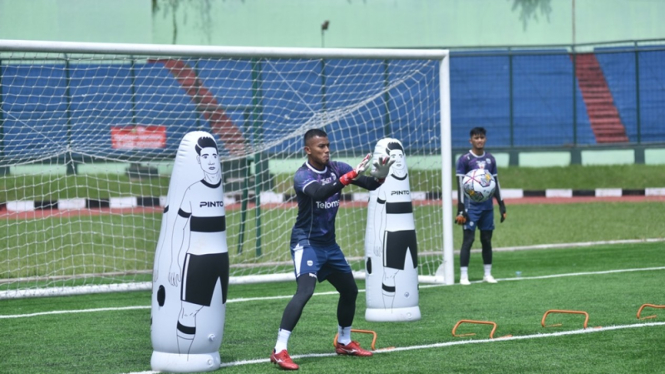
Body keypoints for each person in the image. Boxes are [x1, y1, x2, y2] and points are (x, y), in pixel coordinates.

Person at [270, 128, 393, 370]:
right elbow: (319, 193)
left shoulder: (338, 167)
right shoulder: (302, 176)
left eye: (327, 145)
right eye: (320, 147)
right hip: (306, 243)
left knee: (349, 291)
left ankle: (344, 341)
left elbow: (369, 184)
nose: (326, 150)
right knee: (305, 291)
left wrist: (380, 175)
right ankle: (279, 349)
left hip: (329, 246)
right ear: (308, 150)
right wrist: (349, 177)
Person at [455, 127, 506, 285]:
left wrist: (501, 205)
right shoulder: (465, 159)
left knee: (486, 240)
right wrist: (461, 208)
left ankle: (487, 274)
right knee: (468, 240)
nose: (479, 140)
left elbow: (495, 183)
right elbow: (460, 185)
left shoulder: (490, 159)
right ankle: (464, 276)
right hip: (471, 208)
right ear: (471, 140)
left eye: (482, 137)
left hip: (487, 207)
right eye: (476, 138)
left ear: (485, 139)